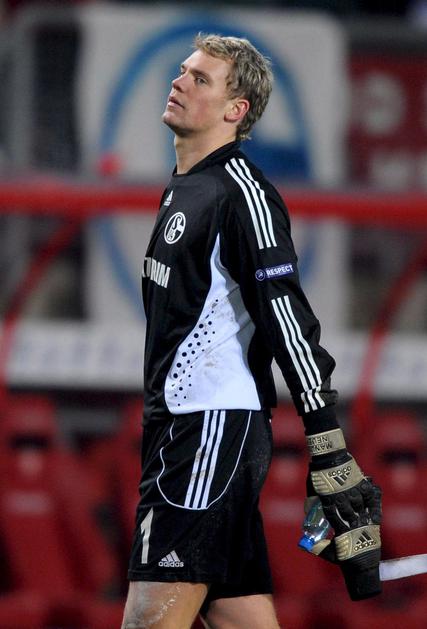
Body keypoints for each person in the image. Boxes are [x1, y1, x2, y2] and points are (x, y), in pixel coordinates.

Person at [121, 33, 382, 629]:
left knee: (147, 622)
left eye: (200, 79)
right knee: (241, 618)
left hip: (208, 431)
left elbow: (287, 319)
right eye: (183, 70)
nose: (179, 81)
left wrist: (327, 441)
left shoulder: (242, 194)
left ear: (236, 110)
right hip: (185, 430)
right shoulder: (185, 186)